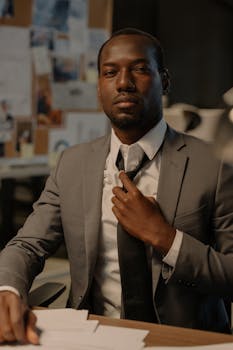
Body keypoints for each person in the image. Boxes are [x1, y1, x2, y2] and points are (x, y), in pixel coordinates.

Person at [0, 27, 233, 344]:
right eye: (110, 72)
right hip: (93, 334)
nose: (124, 83)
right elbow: (27, 244)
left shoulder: (215, 164)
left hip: (182, 338)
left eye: (139, 69)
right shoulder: (72, 164)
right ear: (99, 87)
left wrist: (165, 238)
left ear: (164, 80)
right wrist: (8, 289)